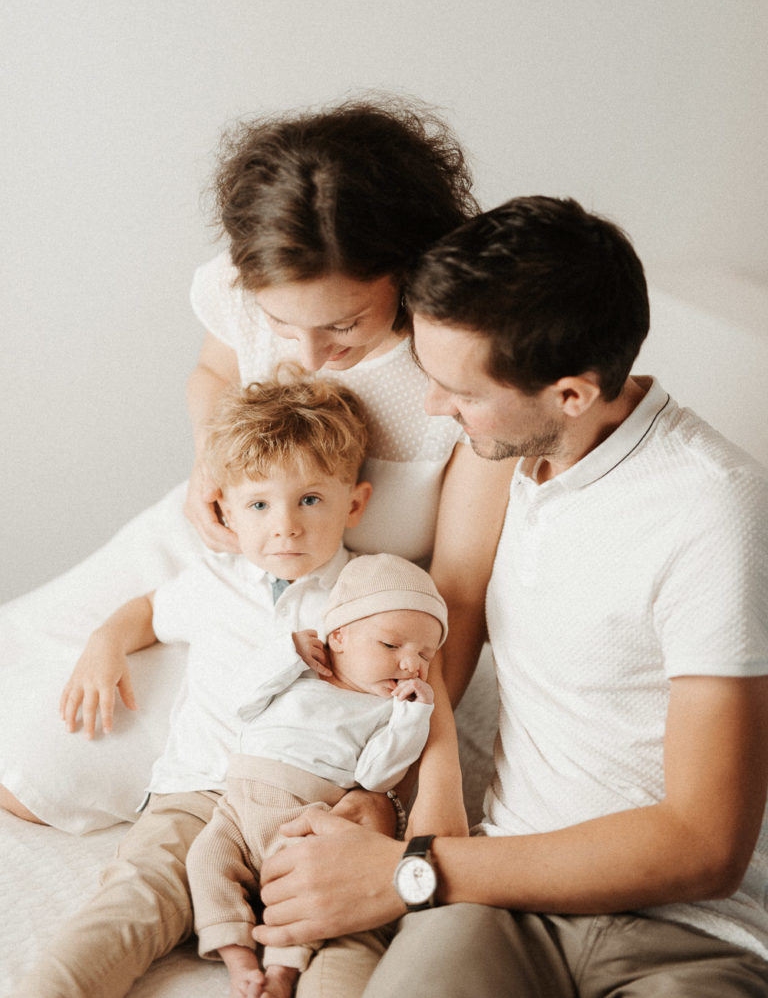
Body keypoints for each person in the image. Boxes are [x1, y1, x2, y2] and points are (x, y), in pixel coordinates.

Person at [251, 196, 768, 997]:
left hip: (685, 934)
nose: (433, 407)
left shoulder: (713, 506)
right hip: (495, 902)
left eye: (460, 389)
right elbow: (450, 609)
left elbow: (704, 844)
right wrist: (381, 791)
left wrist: (411, 872)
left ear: (572, 393)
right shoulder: (503, 452)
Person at [0, 96, 511, 840]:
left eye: (343, 326)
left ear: (409, 273)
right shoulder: (241, 284)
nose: (306, 357)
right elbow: (212, 375)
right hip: (206, 552)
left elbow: (458, 597)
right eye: (281, 326)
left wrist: (401, 761)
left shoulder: (462, 365)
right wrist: (212, 456)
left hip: (324, 622)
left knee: (58, 773)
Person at [13, 372, 464, 998]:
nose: (285, 527)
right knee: (136, 895)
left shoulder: (374, 595)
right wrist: (105, 645)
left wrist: (384, 808)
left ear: (354, 504)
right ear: (224, 509)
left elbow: (416, 706)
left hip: (314, 803)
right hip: (194, 794)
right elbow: (146, 610)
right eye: (259, 505)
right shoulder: (213, 581)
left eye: (310, 500)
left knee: (342, 929)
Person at [187, 552, 451, 998]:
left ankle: (282, 972)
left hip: (304, 819)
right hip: (237, 807)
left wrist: (412, 718)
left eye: (424, 654)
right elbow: (242, 702)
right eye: (392, 646)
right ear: (340, 636)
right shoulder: (298, 673)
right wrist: (287, 652)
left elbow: (377, 777)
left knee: (303, 892)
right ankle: (238, 960)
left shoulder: (383, 712)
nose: (411, 663)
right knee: (205, 860)